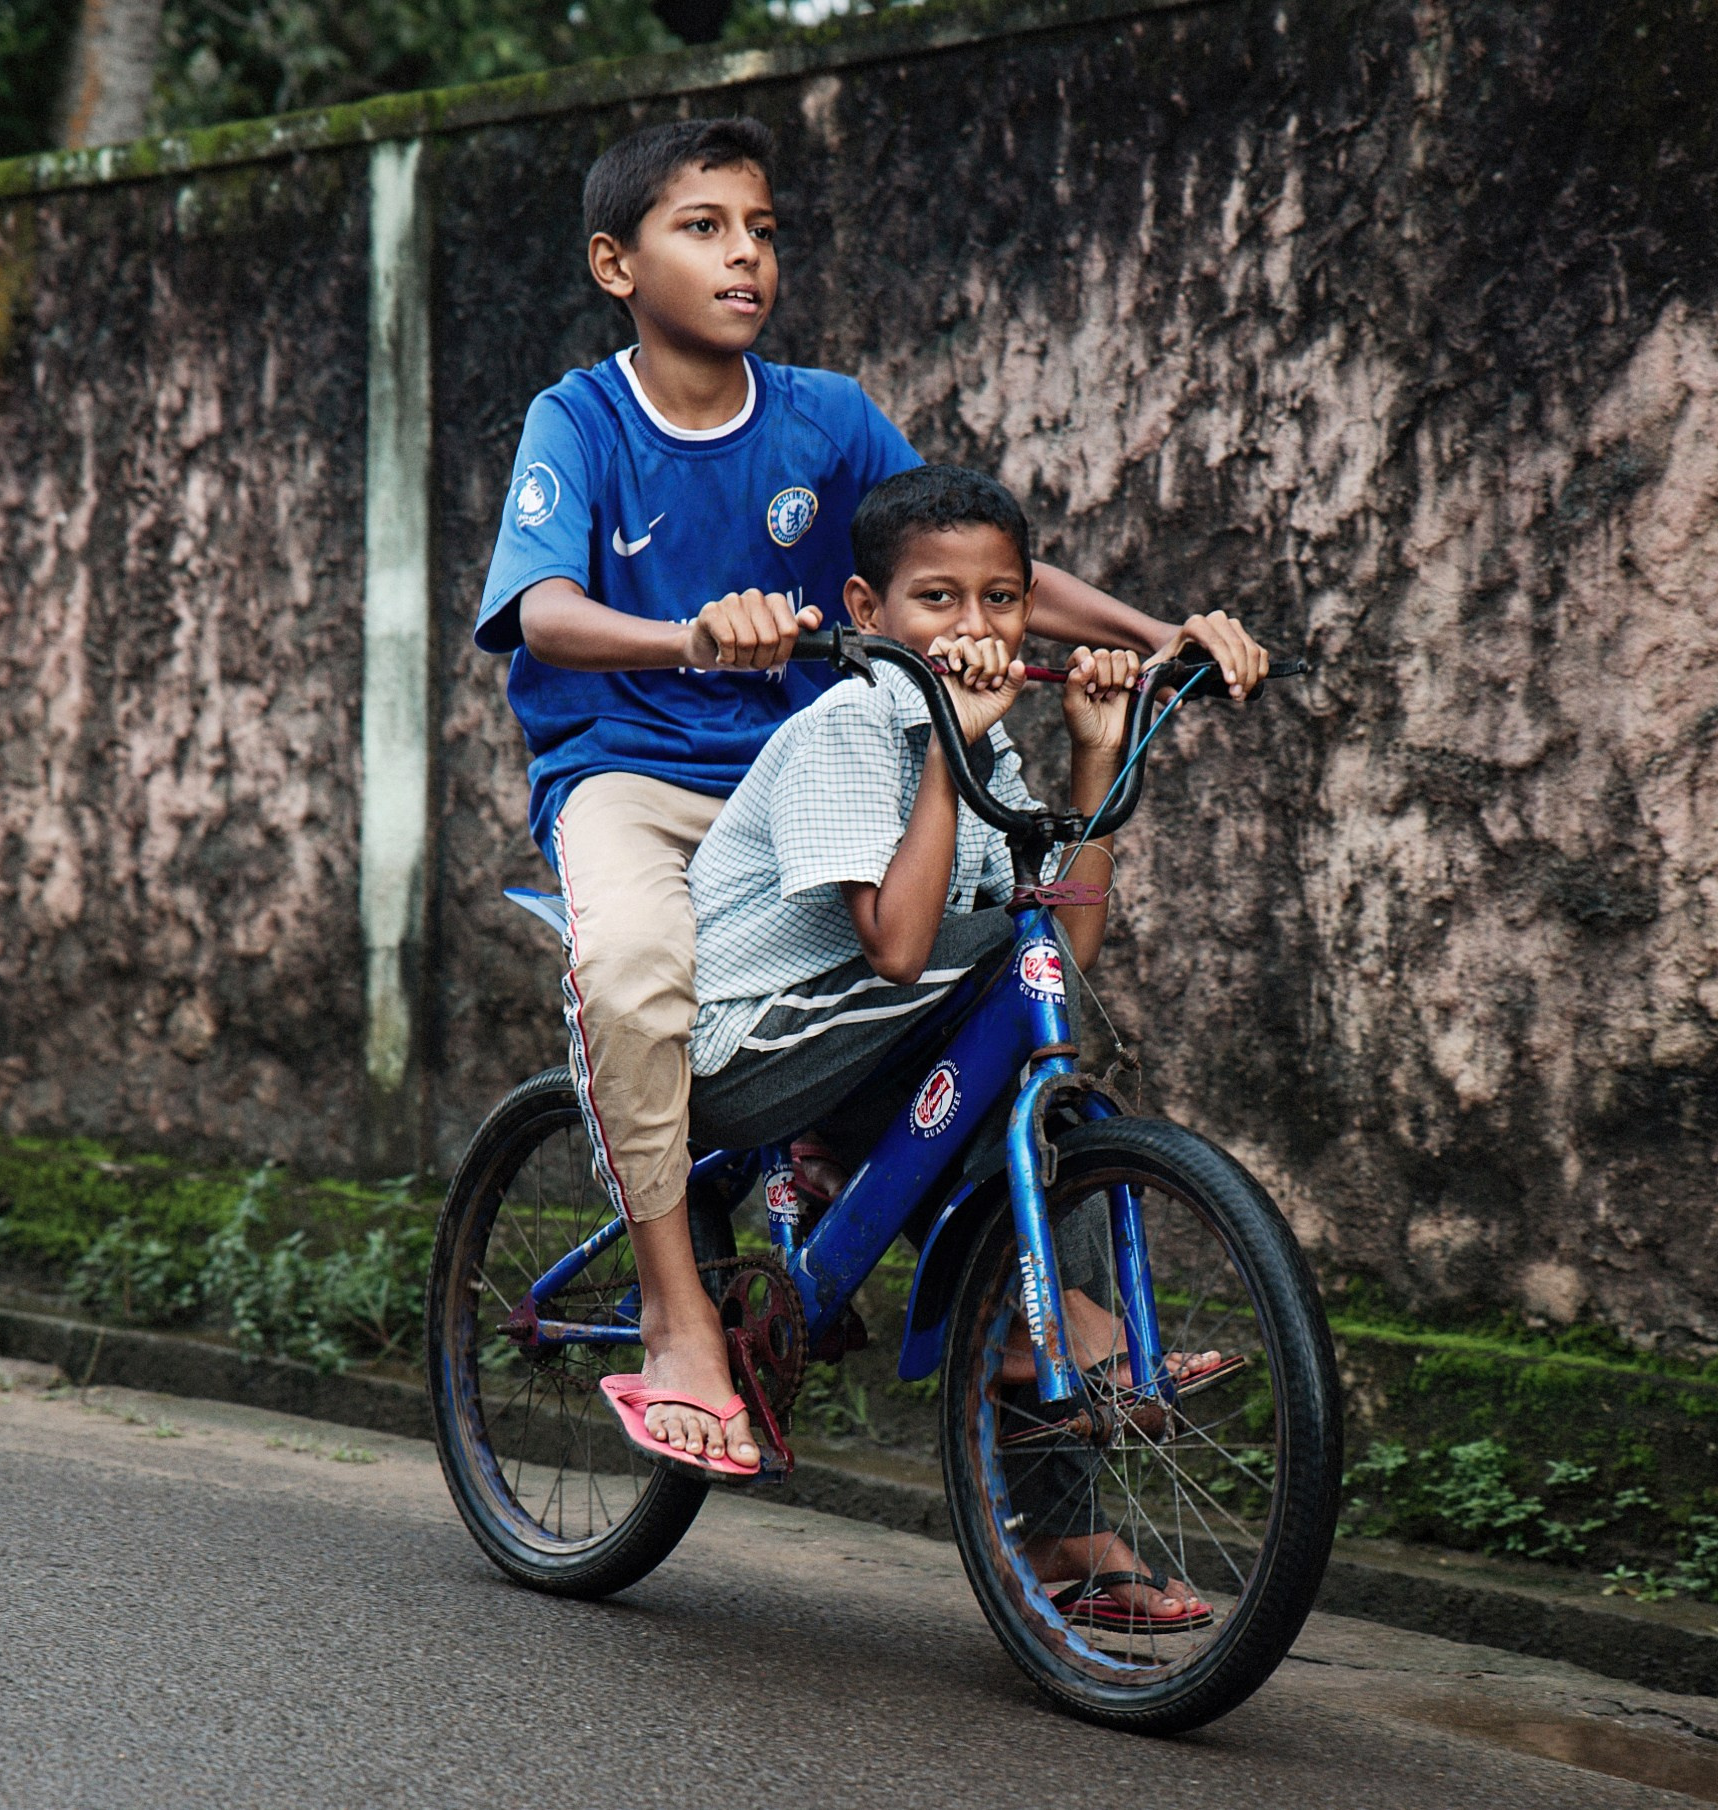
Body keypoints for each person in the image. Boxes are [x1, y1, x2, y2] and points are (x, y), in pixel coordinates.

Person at [473, 114, 1268, 1477]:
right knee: (633, 977)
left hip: (809, 778)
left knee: (1012, 1001)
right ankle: (675, 1322)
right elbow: (540, 611)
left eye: (762, 231)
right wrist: (689, 636)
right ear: (618, 264)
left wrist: (1155, 639)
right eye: (703, 228)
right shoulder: (582, 420)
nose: (744, 256)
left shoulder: (826, 417)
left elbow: (972, 555)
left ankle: (1056, 1509)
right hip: (633, 775)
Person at [671, 464, 1222, 1630]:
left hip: (869, 1046)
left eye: (1002, 600)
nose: (976, 630)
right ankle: (1031, 1317)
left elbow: (1062, 953)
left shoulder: (992, 749)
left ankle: (1067, 1531)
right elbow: (899, 945)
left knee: (1055, 1112)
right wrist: (941, 749)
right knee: (983, 978)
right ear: (868, 614)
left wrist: (1092, 753)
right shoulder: (847, 728)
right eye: (939, 602)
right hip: (753, 1049)